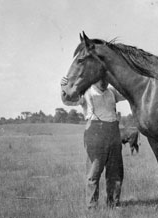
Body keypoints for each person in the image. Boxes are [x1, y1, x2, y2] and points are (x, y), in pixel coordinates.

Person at [61, 77, 126, 209]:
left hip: (114, 131)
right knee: (94, 171)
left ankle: (113, 204)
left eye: (106, 78)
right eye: (101, 78)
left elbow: (127, 93)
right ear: (95, 78)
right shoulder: (86, 92)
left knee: (115, 171)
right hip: (95, 132)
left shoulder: (112, 92)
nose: (104, 81)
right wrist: (64, 88)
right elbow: (68, 100)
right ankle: (92, 207)